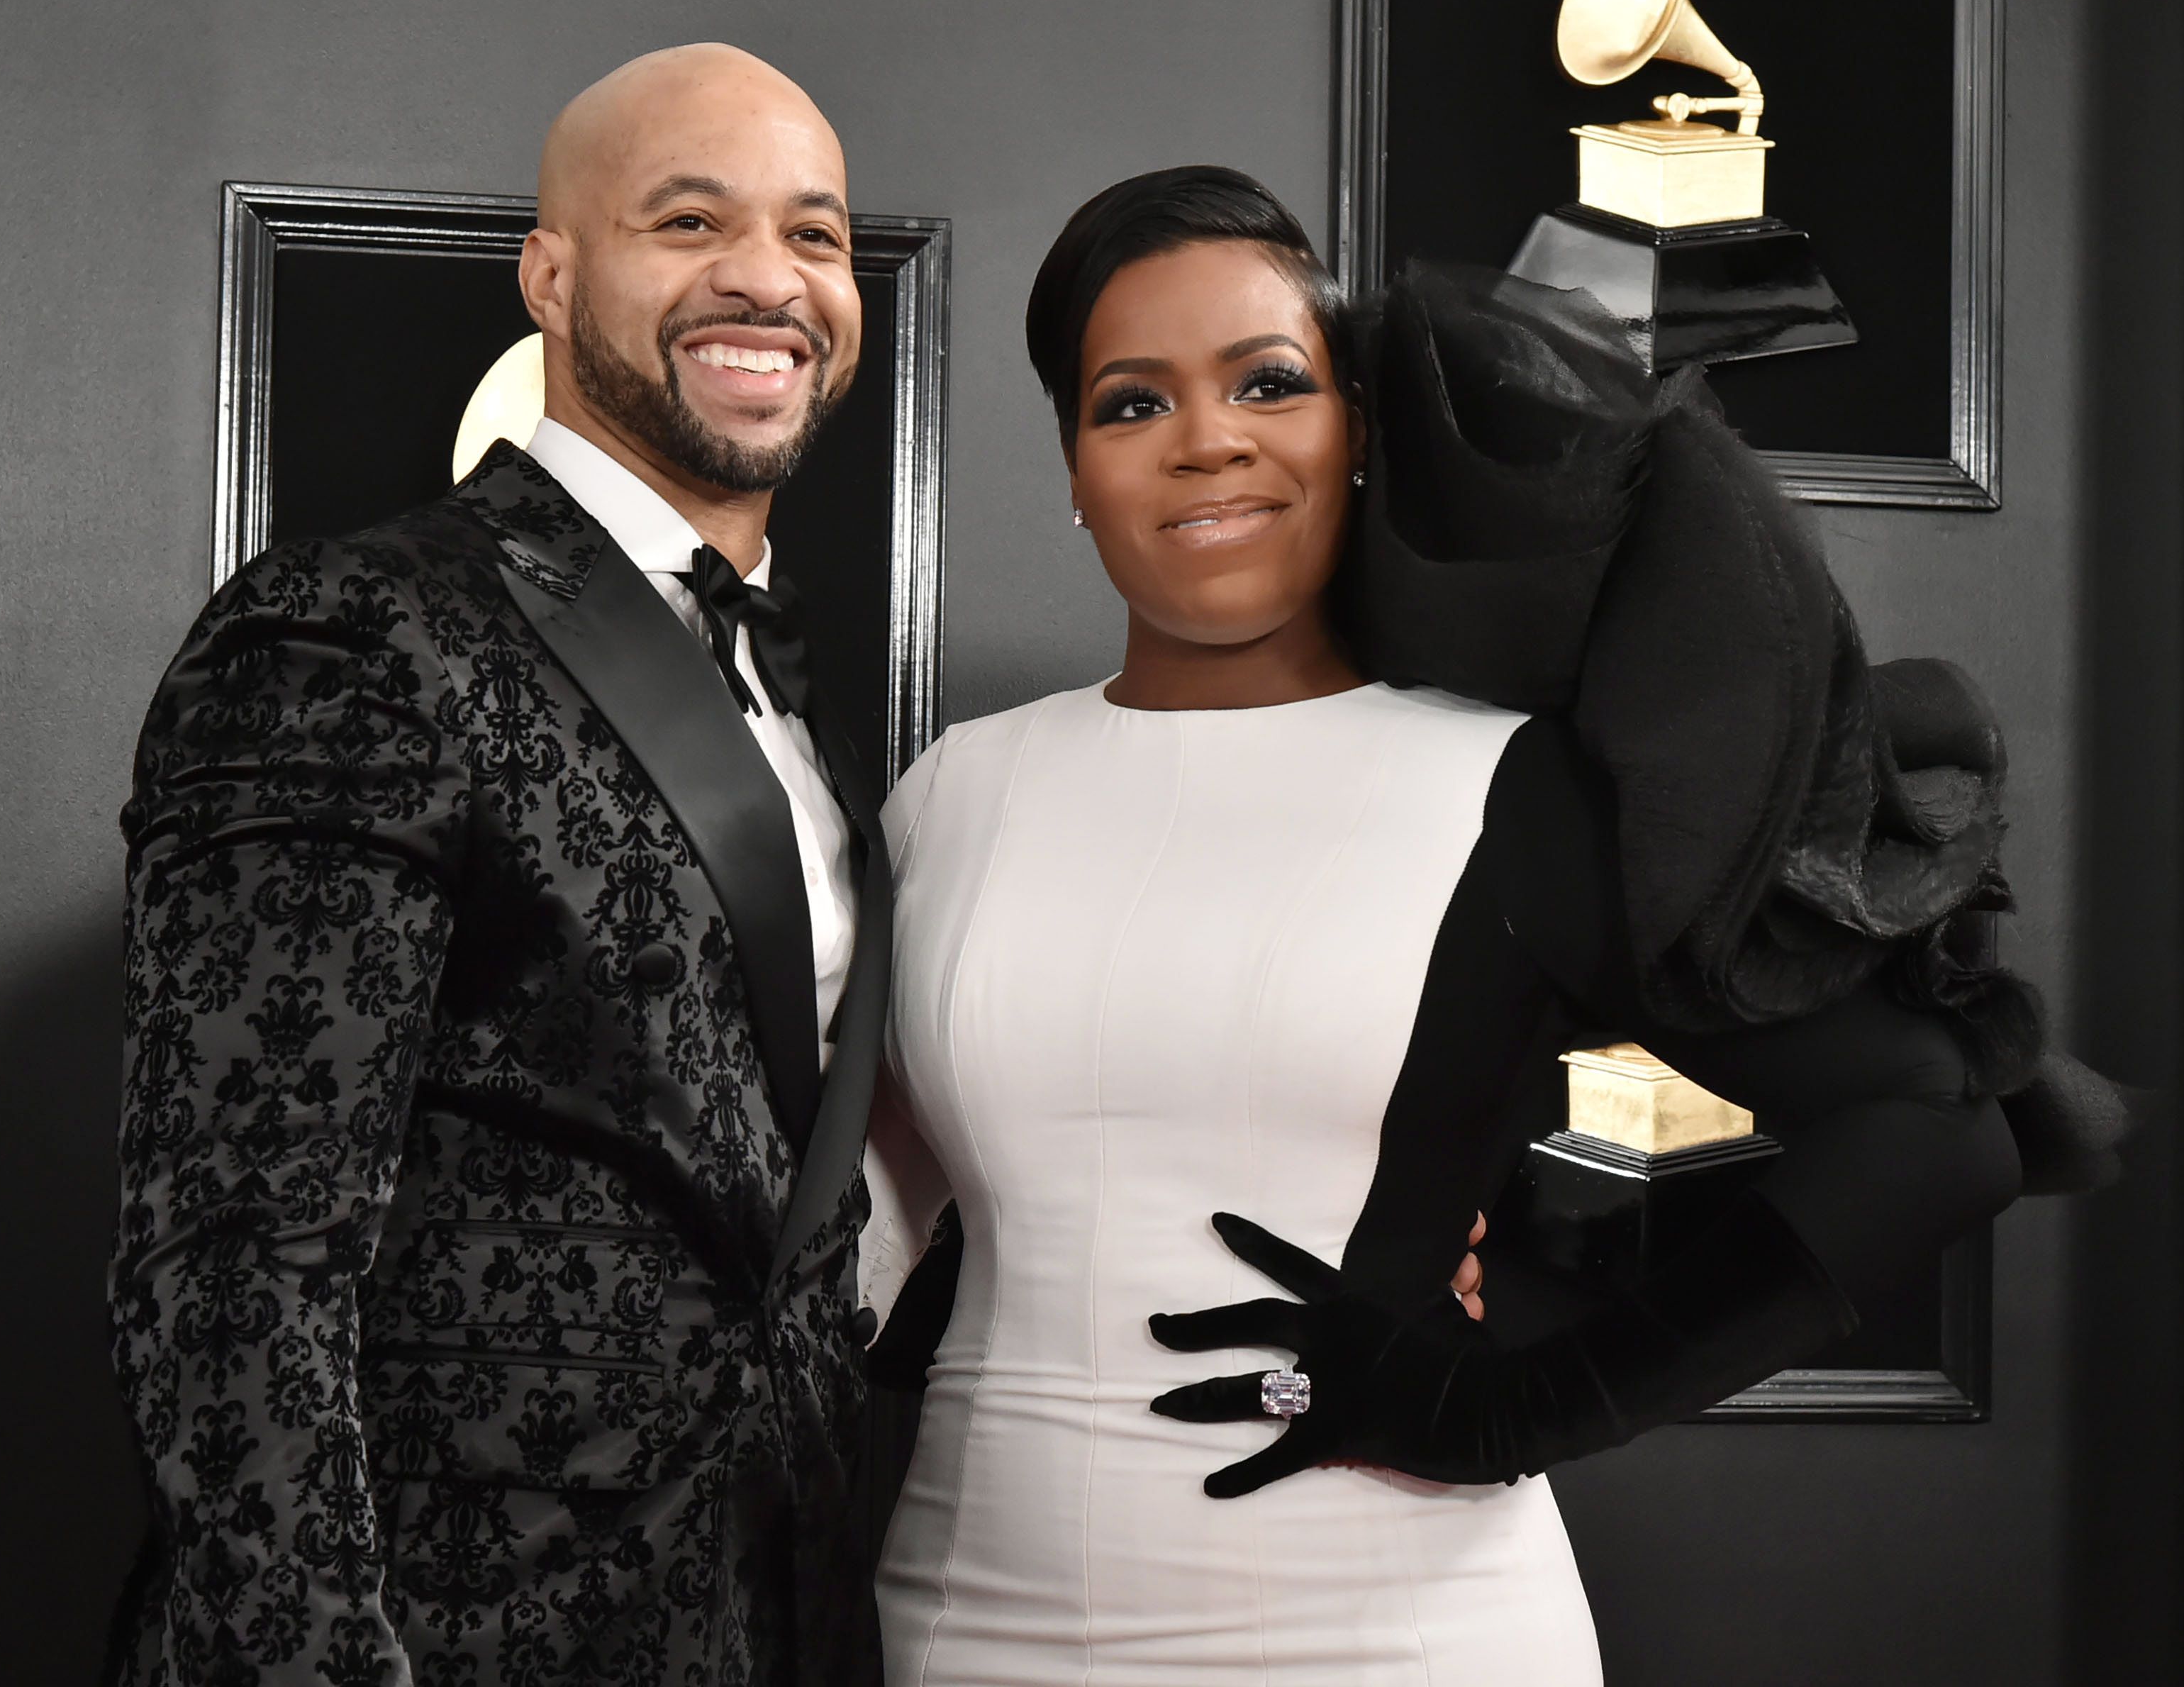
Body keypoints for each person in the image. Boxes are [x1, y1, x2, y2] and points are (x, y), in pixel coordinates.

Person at [857, 167, 2061, 1683]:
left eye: (1269, 382)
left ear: (1357, 433)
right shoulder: (952, 794)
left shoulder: (1511, 784)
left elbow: (1934, 1129)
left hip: (1394, 1630)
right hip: (969, 1621)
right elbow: (893, 1235)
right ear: (1074, 465)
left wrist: (1506, 1410)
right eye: (1130, 402)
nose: (1207, 438)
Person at [108, 44, 894, 1685]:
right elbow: (236, 1254)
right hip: (461, 1635)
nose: (768, 276)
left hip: (774, 1612)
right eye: (689, 221)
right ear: (551, 274)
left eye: (815, 236)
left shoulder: (782, 681)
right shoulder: (353, 627)